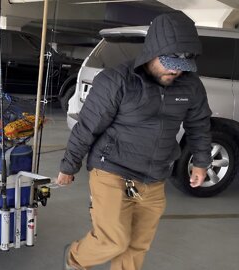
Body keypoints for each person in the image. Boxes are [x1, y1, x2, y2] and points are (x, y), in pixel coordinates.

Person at [57, 11, 212, 270]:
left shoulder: (191, 86)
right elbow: (87, 126)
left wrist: (201, 162)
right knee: (113, 240)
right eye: (169, 63)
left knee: (137, 246)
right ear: (152, 52)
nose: (175, 71)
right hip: (112, 170)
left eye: (182, 66)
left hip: (154, 177)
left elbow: (199, 124)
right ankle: (75, 257)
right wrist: (68, 166)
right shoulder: (116, 81)